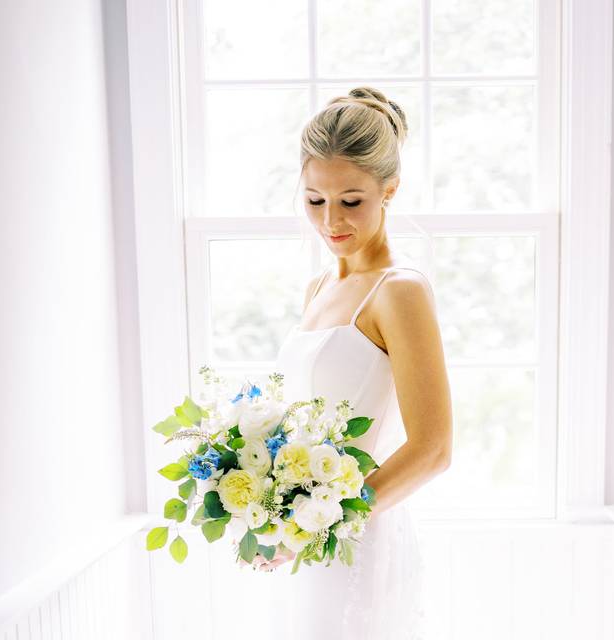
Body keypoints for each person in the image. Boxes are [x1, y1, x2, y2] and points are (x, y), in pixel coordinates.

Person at [255, 87, 453, 639]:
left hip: (356, 536)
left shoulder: (400, 291)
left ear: (390, 189)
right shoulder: (319, 286)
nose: (331, 221)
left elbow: (433, 449)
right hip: (306, 537)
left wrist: (316, 525)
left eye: (351, 200)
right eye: (315, 200)